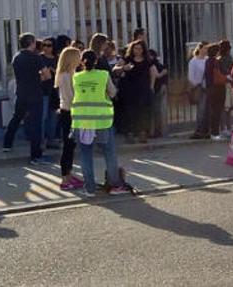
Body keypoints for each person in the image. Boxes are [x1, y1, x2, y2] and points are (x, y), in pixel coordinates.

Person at [72, 49, 126, 197]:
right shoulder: (103, 75)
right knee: (109, 153)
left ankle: (90, 189)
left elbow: (73, 96)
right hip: (102, 122)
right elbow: (113, 92)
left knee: (85, 155)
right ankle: (115, 186)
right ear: (96, 61)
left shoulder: (76, 77)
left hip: (82, 122)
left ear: (81, 61)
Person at [3, 33, 53, 164]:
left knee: (16, 118)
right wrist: (39, 77)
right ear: (31, 43)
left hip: (21, 93)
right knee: (36, 125)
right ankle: (36, 155)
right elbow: (47, 76)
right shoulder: (35, 58)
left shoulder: (17, 57)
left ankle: (7, 144)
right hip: (35, 94)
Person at [114, 39, 157, 143]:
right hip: (129, 90)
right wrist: (124, 68)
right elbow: (115, 69)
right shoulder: (127, 59)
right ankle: (130, 134)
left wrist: (151, 86)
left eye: (140, 48)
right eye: (135, 48)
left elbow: (153, 72)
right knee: (130, 112)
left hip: (143, 90)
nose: (137, 50)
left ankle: (142, 133)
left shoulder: (148, 61)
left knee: (143, 111)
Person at [54, 46, 83, 191]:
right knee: (68, 146)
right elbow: (72, 96)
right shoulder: (68, 76)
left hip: (66, 111)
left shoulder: (66, 74)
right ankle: (65, 178)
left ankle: (69, 174)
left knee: (70, 146)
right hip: (69, 112)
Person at [199, 42, 226, 140]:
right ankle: (215, 132)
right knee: (217, 111)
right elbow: (219, 75)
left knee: (212, 111)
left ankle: (210, 131)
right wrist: (226, 78)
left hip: (210, 88)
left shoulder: (207, 61)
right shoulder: (216, 62)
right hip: (218, 88)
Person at [40, 37, 61, 149]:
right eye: (44, 45)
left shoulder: (57, 59)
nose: (46, 48)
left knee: (53, 116)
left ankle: (51, 139)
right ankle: (41, 140)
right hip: (43, 90)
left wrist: (54, 72)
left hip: (54, 90)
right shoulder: (40, 58)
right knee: (43, 116)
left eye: (49, 45)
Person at [188, 42, 209, 139]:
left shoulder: (207, 60)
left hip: (208, 87)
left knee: (207, 110)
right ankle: (199, 130)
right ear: (199, 49)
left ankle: (206, 130)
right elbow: (191, 77)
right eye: (204, 48)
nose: (206, 50)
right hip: (199, 87)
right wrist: (196, 84)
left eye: (207, 48)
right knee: (201, 109)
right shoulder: (193, 61)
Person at [147, 49, 168, 138]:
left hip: (155, 90)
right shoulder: (159, 65)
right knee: (156, 111)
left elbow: (159, 76)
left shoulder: (154, 65)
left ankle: (156, 131)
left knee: (155, 111)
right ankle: (156, 131)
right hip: (158, 89)